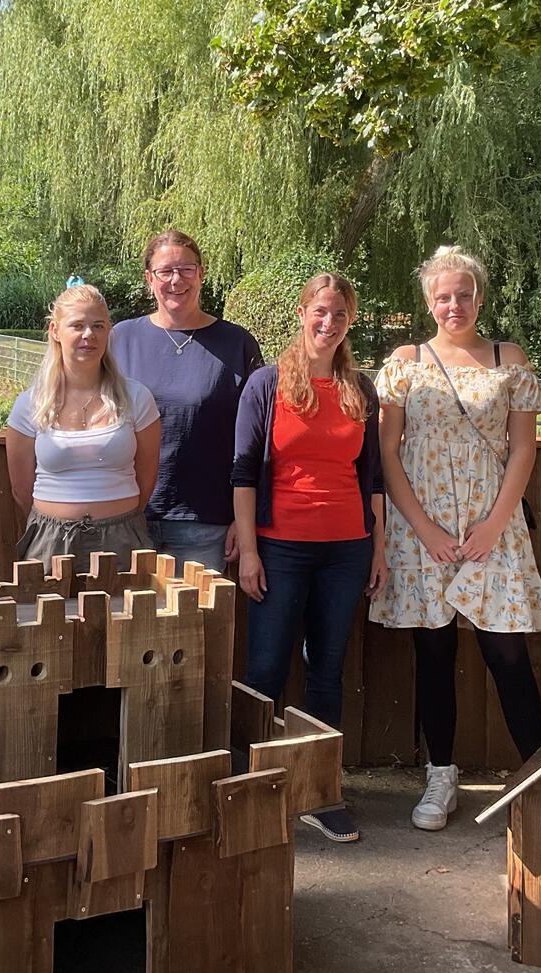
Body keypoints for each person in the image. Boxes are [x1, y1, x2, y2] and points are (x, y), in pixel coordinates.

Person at [372, 247, 541, 833]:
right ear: (429, 301)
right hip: (422, 526)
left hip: (490, 524)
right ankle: (441, 774)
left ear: (479, 296)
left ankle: (539, 775)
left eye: (464, 294)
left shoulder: (508, 360)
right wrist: (421, 527)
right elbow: (388, 451)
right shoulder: (404, 363)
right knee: (435, 651)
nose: (454, 305)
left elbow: (523, 447)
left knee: (506, 651)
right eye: (443, 295)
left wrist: (497, 522)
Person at [232, 272, 386, 843]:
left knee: (327, 671)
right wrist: (249, 550)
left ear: (349, 323)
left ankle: (320, 793)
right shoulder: (266, 385)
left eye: (340, 315)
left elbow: (371, 478)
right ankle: (255, 786)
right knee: (266, 670)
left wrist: (378, 549)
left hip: (346, 547)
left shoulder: (359, 389)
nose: (329, 323)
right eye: (320, 311)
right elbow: (243, 473)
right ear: (302, 313)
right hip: (280, 545)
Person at [111, 230, 263, 570]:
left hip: (206, 523)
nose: (176, 280)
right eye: (166, 271)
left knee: (197, 623)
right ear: (150, 278)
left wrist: (244, 520)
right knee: (126, 621)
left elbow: (256, 439)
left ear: (202, 273)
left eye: (186, 269)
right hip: (127, 518)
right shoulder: (121, 339)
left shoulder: (237, 343)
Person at [6, 283, 161, 562]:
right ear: (55, 331)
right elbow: (21, 487)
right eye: (77, 325)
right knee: (49, 609)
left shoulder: (137, 397)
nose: (88, 335)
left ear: (109, 331)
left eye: (98, 326)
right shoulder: (29, 404)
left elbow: (147, 476)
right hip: (50, 541)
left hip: (123, 538)